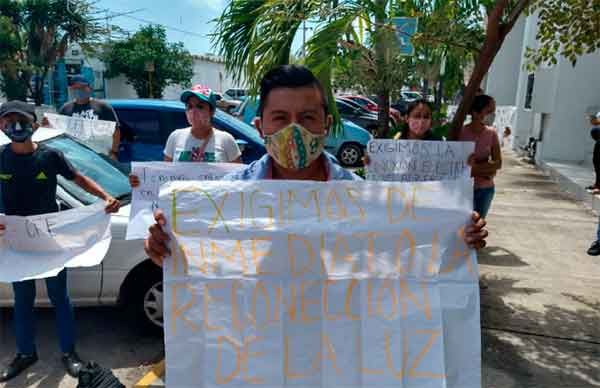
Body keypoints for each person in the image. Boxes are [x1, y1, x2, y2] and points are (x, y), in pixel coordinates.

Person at [142, 65, 488, 267]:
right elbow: (206, 268)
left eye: (307, 117)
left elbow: (400, 257)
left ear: (326, 123)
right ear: (261, 127)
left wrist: (453, 238)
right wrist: (167, 250)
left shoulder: (360, 196)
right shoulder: (228, 200)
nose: (295, 129)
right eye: (281, 118)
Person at [0, 101, 121, 382]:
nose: (16, 126)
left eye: (22, 120)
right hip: (16, 240)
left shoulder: (50, 156)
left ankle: (69, 353)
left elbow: (79, 178)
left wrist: (106, 198)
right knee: (23, 299)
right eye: (9, 121)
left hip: (50, 239)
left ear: (34, 122)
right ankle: (25, 353)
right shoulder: (0, 158)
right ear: (1, 126)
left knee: (59, 298)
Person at [128, 85, 242, 188]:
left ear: (211, 111)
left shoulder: (226, 140)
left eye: (200, 107)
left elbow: (240, 179)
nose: (194, 111)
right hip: (182, 206)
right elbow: (163, 176)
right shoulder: (175, 137)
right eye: (189, 106)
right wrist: (141, 180)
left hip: (214, 207)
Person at [42, 75, 121, 160]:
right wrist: (48, 125)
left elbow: (115, 131)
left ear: (89, 88)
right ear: (71, 90)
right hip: (75, 158)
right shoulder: (65, 108)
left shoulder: (103, 107)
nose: (79, 91)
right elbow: (58, 131)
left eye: (82, 87)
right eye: (75, 88)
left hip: (100, 157)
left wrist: (113, 152)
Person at [459, 94, 502, 219]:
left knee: (477, 224)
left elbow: (498, 163)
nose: (492, 115)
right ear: (475, 112)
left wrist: (474, 168)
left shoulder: (491, 133)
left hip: (485, 190)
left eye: (493, 112)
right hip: (463, 189)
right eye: (489, 111)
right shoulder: (461, 133)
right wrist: (486, 169)